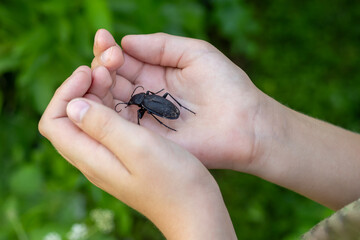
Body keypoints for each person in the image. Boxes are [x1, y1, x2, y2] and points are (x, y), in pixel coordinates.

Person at [38, 29, 360, 239]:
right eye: (136, 104)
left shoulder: (143, 104)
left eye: (135, 104)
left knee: (158, 113)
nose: (135, 104)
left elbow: (149, 108)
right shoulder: (146, 98)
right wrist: (258, 130)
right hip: (169, 106)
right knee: (160, 109)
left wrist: (191, 205)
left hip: (167, 109)